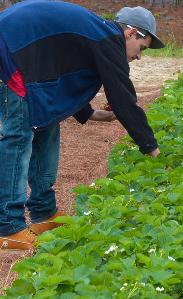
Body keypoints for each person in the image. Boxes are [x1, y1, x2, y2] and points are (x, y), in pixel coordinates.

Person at [0, 2, 165, 251]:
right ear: (131, 32)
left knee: (46, 122)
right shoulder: (109, 40)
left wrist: (89, 113)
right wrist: (152, 149)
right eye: (141, 48)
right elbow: (124, 100)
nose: (139, 56)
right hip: (13, 47)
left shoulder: (97, 36)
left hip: (30, 54)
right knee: (19, 135)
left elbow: (64, 75)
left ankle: (44, 213)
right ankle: (8, 228)